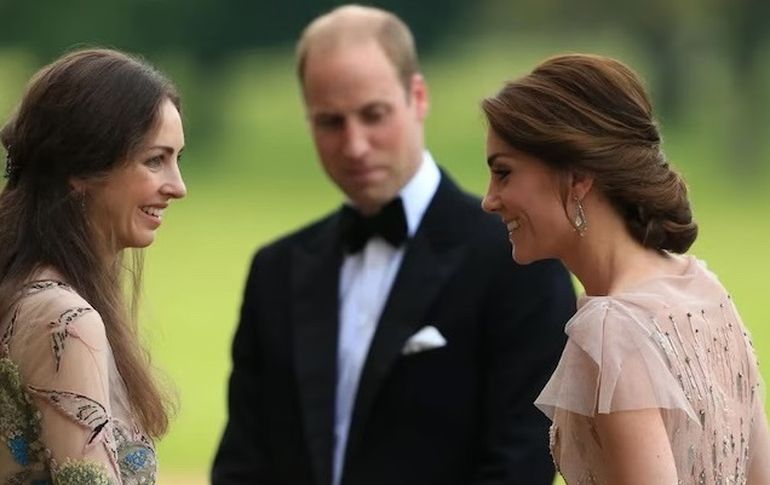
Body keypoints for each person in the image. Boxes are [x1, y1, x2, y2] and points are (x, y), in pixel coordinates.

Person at [211, 5, 575, 485]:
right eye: (330, 122)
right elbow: (243, 463)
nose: (355, 145)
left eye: (373, 115)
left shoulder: (519, 259)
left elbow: (519, 464)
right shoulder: (275, 270)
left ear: (417, 96)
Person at [481, 53, 770, 484]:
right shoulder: (702, 287)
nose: (489, 199)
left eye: (504, 173)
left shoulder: (611, 327)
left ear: (578, 177)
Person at [0, 48, 186, 484]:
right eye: (155, 160)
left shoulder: (22, 290)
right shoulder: (64, 321)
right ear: (82, 170)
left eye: (178, 159)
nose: (178, 187)